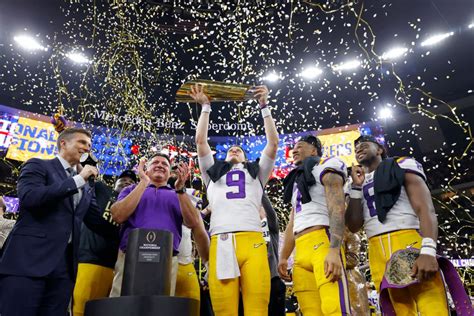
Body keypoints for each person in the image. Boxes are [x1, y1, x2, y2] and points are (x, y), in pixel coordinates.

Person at [0, 127, 115, 315]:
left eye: (90, 145)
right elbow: (30, 198)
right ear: (63, 143)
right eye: (82, 142)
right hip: (28, 261)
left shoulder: (86, 186)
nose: (87, 148)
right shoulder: (38, 165)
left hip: (64, 269)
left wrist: (132, 236)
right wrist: (78, 179)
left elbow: (96, 222)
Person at [191, 84, 279, 316]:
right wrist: (206, 107)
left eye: (239, 149)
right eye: (231, 149)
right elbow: (201, 142)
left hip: (253, 240)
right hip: (222, 240)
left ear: (246, 157)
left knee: (257, 310)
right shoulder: (212, 174)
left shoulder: (257, 173)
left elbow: (273, 144)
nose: (234, 150)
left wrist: (264, 107)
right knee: (224, 311)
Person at [345, 135, 449, 314]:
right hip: (376, 249)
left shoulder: (401, 164)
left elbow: (425, 208)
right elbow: (354, 225)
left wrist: (428, 250)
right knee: (397, 309)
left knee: (431, 304)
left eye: (364, 145)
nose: (359, 149)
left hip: (406, 238)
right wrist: (355, 187)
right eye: (355, 148)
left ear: (379, 149)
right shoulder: (355, 182)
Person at [109, 153, 201, 297]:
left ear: (170, 173)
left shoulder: (179, 194)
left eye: (164, 164)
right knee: (122, 305)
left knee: (159, 307)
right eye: (155, 163)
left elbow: (192, 222)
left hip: (167, 258)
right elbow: (118, 216)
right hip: (130, 256)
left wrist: (181, 189)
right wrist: (143, 183)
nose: (160, 165)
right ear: (146, 169)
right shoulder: (130, 189)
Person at [278, 135, 351, 315]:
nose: (294, 150)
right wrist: (284, 256)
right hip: (301, 251)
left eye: (300, 146)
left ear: (314, 150)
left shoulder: (325, 166)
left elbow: (337, 207)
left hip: (322, 242)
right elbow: (293, 221)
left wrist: (334, 249)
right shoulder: (300, 179)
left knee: (334, 309)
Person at [72, 170, 137, 316]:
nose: (127, 182)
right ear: (114, 183)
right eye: (123, 180)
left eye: (132, 182)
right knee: (80, 310)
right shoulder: (101, 189)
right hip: (90, 261)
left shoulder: (133, 204)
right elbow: (82, 178)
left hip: (118, 267)